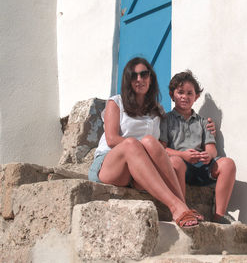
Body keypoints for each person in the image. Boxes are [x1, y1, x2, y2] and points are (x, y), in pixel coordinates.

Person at [88, 58, 209, 228]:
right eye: (134, 75)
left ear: (150, 78)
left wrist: (207, 125)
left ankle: (183, 207)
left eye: (144, 74)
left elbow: (158, 145)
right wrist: (140, 148)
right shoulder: (116, 102)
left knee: (172, 159)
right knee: (133, 144)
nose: (139, 79)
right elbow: (112, 139)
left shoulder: (156, 110)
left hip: (138, 170)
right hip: (111, 165)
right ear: (128, 80)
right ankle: (176, 207)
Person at [160, 70, 236, 224]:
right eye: (180, 92)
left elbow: (211, 148)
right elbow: (162, 149)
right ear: (172, 94)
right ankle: (184, 210)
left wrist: (208, 155)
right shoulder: (166, 120)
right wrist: (182, 155)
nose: (185, 97)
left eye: (189, 93)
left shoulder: (203, 122)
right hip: (180, 167)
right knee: (175, 162)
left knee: (228, 164)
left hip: (201, 166)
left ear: (196, 97)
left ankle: (219, 216)